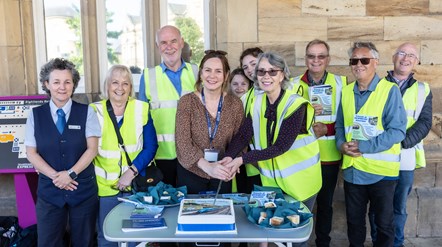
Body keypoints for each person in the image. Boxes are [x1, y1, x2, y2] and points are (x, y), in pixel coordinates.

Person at [222, 52, 322, 247]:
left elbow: (280, 147)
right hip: (272, 183)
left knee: (294, 238)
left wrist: (241, 160)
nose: (266, 76)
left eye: (272, 71)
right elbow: (243, 135)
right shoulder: (257, 101)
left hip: (301, 183)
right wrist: (228, 158)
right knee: (274, 234)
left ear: (282, 75)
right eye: (261, 71)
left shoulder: (295, 104)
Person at [335, 42, 407, 247]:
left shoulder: (389, 91)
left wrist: (364, 147)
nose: (358, 64)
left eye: (364, 60)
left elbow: (398, 131)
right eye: (354, 60)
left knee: (384, 225)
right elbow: (340, 126)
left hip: (381, 174)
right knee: (354, 224)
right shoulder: (347, 91)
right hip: (353, 172)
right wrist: (341, 144)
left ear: (375, 62)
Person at [25, 58, 101, 247]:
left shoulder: (87, 112)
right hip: (49, 192)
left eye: (67, 82)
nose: (62, 87)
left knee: (83, 242)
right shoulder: (35, 115)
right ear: (47, 84)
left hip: (82, 190)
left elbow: (92, 149)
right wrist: (57, 177)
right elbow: (31, 153)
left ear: (73, 84)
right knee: (48, 242)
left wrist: (71, 174)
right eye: (56, 82)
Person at [175, 50, 243, 247]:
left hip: (222, 173)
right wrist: (207, 166)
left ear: (226, 76)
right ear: (201, 73)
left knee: (219, 232)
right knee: (191, 231)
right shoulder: (187, 102)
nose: (212, 76)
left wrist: (232, 163)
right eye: (207, 70)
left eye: (218, 71)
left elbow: (241, 139)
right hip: (191, 172)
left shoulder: (234, 104)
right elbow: (182, 141)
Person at [368, 43, 433, 247]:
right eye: (402, 53)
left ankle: (396, 244)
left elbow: (424, 122)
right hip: (378, 156)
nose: (406, 58)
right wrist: (385, 142)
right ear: (394, 57)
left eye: (411, 55)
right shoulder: (375, 84)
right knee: (377, 207)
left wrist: (401, 141)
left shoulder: (423, 89)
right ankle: (379, 243)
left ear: (417, 61)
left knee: (398, 208)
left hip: (405, 158)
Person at [91, 65, 158, 247]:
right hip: (105, 188)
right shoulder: (93, 111)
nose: (120, 88)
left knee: (137, 236)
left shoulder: (141, 109)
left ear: (131, 88)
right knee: (107, 237)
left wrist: (131, 172)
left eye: (125, 83)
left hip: (136, 186)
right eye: (115, 82)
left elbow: (151, 147)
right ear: (107, 86)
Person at [293, 39, 346, 247]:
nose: (316, 60)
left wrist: (327, 129)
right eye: (311, 56)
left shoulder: (341, 83)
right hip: (301, 158)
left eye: (321, 56)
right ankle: (297, 242)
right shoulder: (293, 83)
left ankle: (323, 243)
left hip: (328, 157)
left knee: (325, 206)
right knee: (300, 206)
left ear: (328, 59)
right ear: (305, 59)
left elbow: (347, 119)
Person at [139, 25, 198, 187]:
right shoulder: (148, 76)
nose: (169, 47)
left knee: (192, 205)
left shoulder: (197, 72)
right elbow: (142, 120)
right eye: (164, 43)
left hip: (193, 154)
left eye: (173, 41)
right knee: (165, 204)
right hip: (161, 156)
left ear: (181, 43)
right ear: (158, 47)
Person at [237, 47, 264, 194]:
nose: (249, 70)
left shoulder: (285, 90)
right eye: (245, 67)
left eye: (253, 64)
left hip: (282, 166)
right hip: (255, 165)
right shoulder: (245, 98)